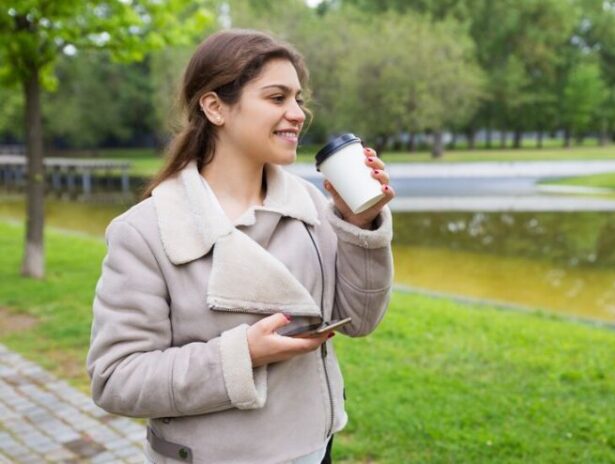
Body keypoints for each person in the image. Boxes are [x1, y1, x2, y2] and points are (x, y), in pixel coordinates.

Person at [86, 29, 394, 464]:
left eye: (298, 99)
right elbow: (115, 379)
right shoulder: (144, 232)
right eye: (277, 98)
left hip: (314, 449)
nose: (298, 114)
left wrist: (360, 225)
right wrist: (241, 355)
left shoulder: (309, 205)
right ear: (215, 107)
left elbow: (359, 321)